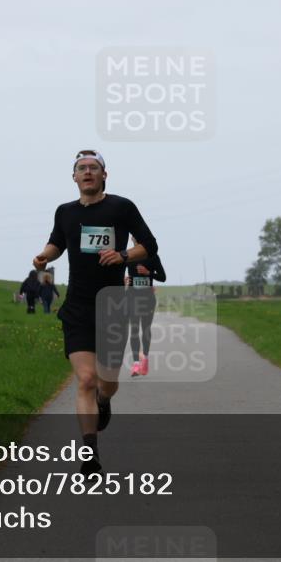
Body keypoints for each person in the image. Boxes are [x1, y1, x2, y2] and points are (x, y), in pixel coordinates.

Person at [32, 150, 158, 475]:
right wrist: (44, 256)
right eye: (81, 168)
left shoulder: (121, 207)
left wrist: (123, 255)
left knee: (107, 381)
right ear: (73, 177)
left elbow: (149, 245)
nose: (87, 172)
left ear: (104, 175)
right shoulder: (65, 212)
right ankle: (90, 452)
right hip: (77, 307)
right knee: (86, 378)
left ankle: (105, 400)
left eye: (94, 168)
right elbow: (57, 242)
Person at [126, 237, 166, 376]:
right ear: (132, 239)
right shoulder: (127, 255)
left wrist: (148, 273)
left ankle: (145, 359)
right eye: (134, 238)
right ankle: (136, 364)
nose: (136, 240)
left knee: (146, 329)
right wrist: (123, 280)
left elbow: (163, 277)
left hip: (148, 298)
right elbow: (115, 272)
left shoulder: (153, 256)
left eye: (138, 237)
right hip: (132, 297)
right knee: (135, 330)